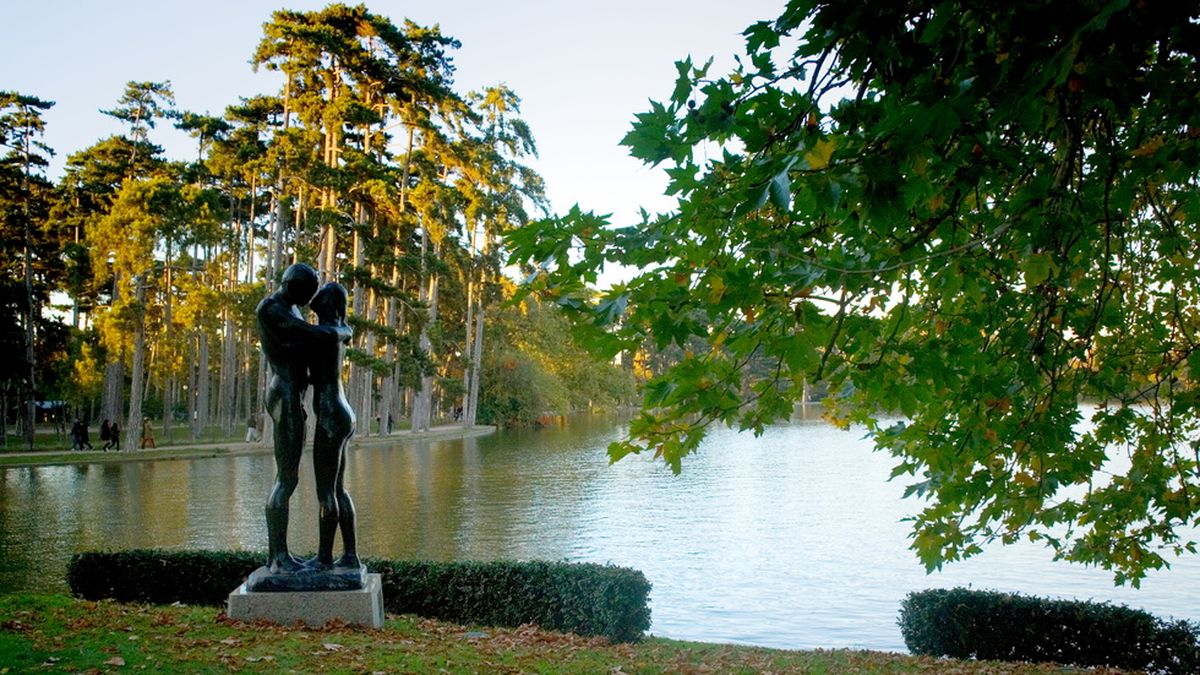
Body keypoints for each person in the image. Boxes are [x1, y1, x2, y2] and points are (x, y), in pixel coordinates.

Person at [256, 263, 351, 574]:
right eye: (306, 294)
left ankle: (327, 557)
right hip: (283, 394)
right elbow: (309, 335)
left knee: (328, 487)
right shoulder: (272, 309)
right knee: (288, 478)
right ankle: (277, 557)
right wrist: (341, 330)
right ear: (294, 287)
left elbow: (312, 339)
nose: (309, 301)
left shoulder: (292, 309)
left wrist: (339, 332)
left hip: (304, 400)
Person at [308, 282, 359, 570]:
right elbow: (343, 330)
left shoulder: (322, 335)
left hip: (329, 414)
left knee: (325, 491)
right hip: (343, 411)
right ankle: (350, 554)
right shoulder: (341, 332)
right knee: (339, 489)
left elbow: (295, 330)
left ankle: (324, 558)